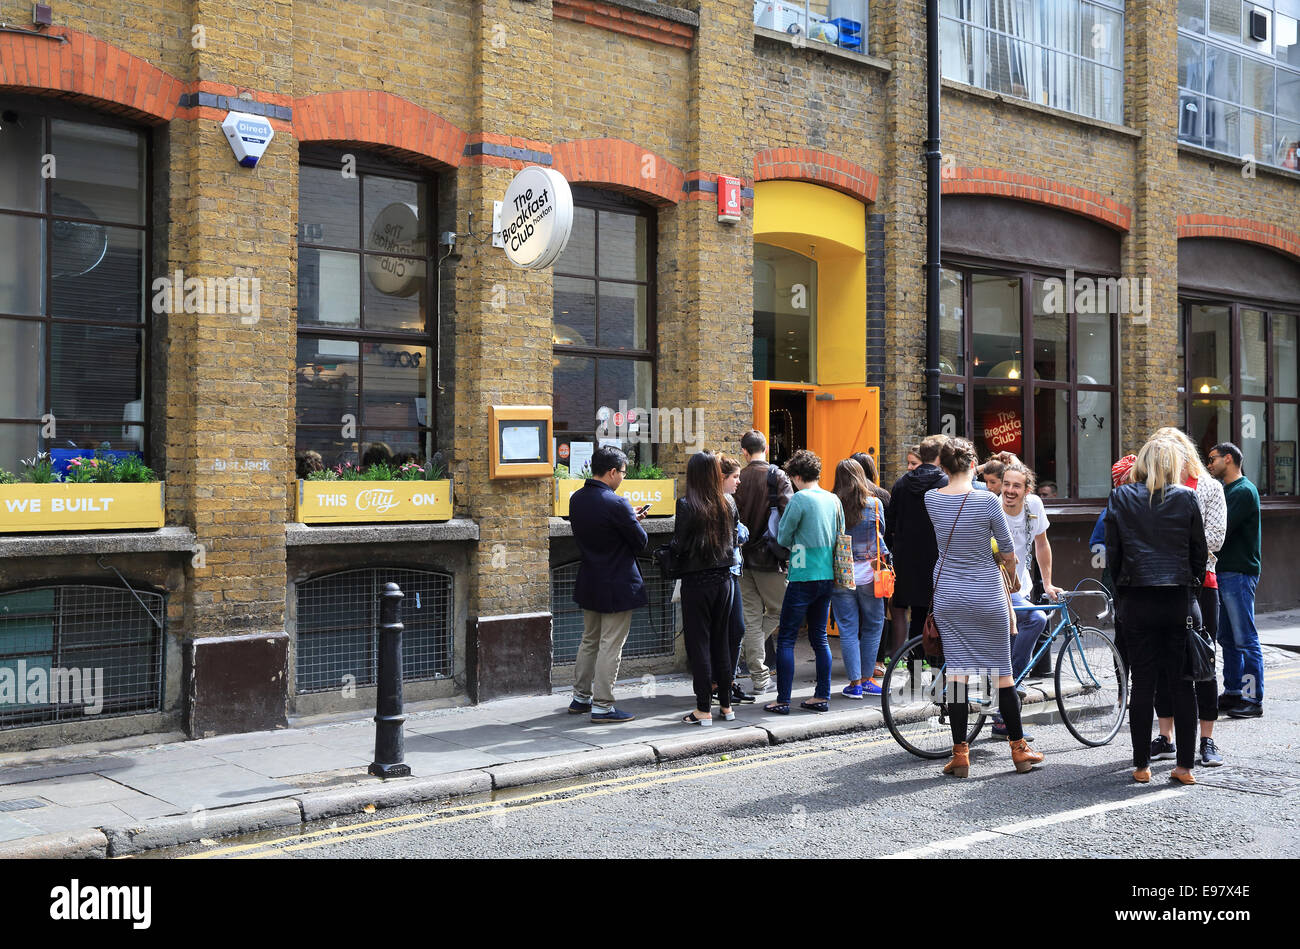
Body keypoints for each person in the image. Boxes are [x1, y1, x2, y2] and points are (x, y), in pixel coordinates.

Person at [925, 437, 1042, 778]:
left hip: (948, 593)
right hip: (986, 594)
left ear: (943, 466)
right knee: (1002, 675)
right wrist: (1013, 577)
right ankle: (1019, 751)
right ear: (974, 464)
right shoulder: (987, 502)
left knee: (958, 676)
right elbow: (1007, 549)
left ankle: (960, 755)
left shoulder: (931, 499)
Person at [1105, 437, 1208, 785]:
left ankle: (1141, 766)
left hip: (1137, 599)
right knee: (1183, 685)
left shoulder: (1120, 497)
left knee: (1143, 684)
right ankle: (1184, 767)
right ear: (1172, 464)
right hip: (1178, 599)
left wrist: (1122, 593)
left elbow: (1114, 554)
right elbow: (1199, 552)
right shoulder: (1187, 497)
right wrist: (1190, 587)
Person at [1150, 429, 1227, 767]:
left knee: (1202, 662)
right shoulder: (1154, 491)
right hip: (1162, 586)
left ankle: (1207, 740)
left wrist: (1173, 547)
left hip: (1201, 584)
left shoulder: (1209, 488)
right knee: (1162, 666)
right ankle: (1165, 737)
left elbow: (1216, 537)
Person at [567, 444, 648, 723]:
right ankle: (603, 705)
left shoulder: (576, 498)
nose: (623, 477)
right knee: (610, 644)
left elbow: (601, 530)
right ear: (612, 471)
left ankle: (580, 698)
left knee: (589, 640)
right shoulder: (617, 503)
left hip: (590, 580)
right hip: (617, 584)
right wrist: (633, 520)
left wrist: (628, 518)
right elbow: (640, 542)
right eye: (623, 472)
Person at [764, 449, 840, 715]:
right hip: (827, 575)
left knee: (786, 638)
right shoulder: (833, 499)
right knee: (819, 637)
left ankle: (783, 700)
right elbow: (841, 535)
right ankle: (821, 696)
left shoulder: (799, 499)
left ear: (796, 476)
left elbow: (783, 537)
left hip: (801, 573)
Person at [672, 451, 743, 725]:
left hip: (697, 581)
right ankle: (726, 706)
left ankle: (703, 709)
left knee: (699, 644)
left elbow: (679, 544)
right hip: (724, 580)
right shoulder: (728, 502)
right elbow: (734, 539)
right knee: (720, 641)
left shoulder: (687, 504)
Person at [1207, 441, 1264, 719]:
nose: (1209, 464)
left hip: (1239, 573)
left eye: (1212, 459)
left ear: (1228, 459)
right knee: (1227, 638)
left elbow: (1221, 528)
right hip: (1225, 572)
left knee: (1245, 639)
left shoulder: (1243, 491)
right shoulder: (1227, 490)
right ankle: (1233, 693)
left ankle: (1253, 700)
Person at [735, 430, 794, 696]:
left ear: (745, 452)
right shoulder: (776, 475)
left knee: (750, 617)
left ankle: (759, 678)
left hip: (743, 558)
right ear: (767, 448)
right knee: (783, 610)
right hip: (771, 558)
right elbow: (790, 514)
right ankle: (758, 672)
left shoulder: (737, 477)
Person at [831, 459, 889, 699]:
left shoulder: (833, 504)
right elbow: (881, 530)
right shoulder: (875, 503)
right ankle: (867, 679)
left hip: (841, 572)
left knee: (847, 628)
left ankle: (854, 683)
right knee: (874, 625)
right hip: (869, 573)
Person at [886, 435, 948, 656]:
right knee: (938, 620)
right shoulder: (945, 483)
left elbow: (890, 523)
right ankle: (936, 677)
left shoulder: (902, 483)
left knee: (918, 618)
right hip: (937, 561)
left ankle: (915, 676)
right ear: (940, 456)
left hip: (908, 562)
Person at [716, 455, 753, 705]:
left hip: (733, 572)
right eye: (735, 477)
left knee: (736, 629)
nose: (739, 482)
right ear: (722, 478)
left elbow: (740, 533)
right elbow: (738, 534)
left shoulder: (730, 500)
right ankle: (719, 684)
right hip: (721, 574)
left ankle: (727, 682)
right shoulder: (719, 502)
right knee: (722, 630)